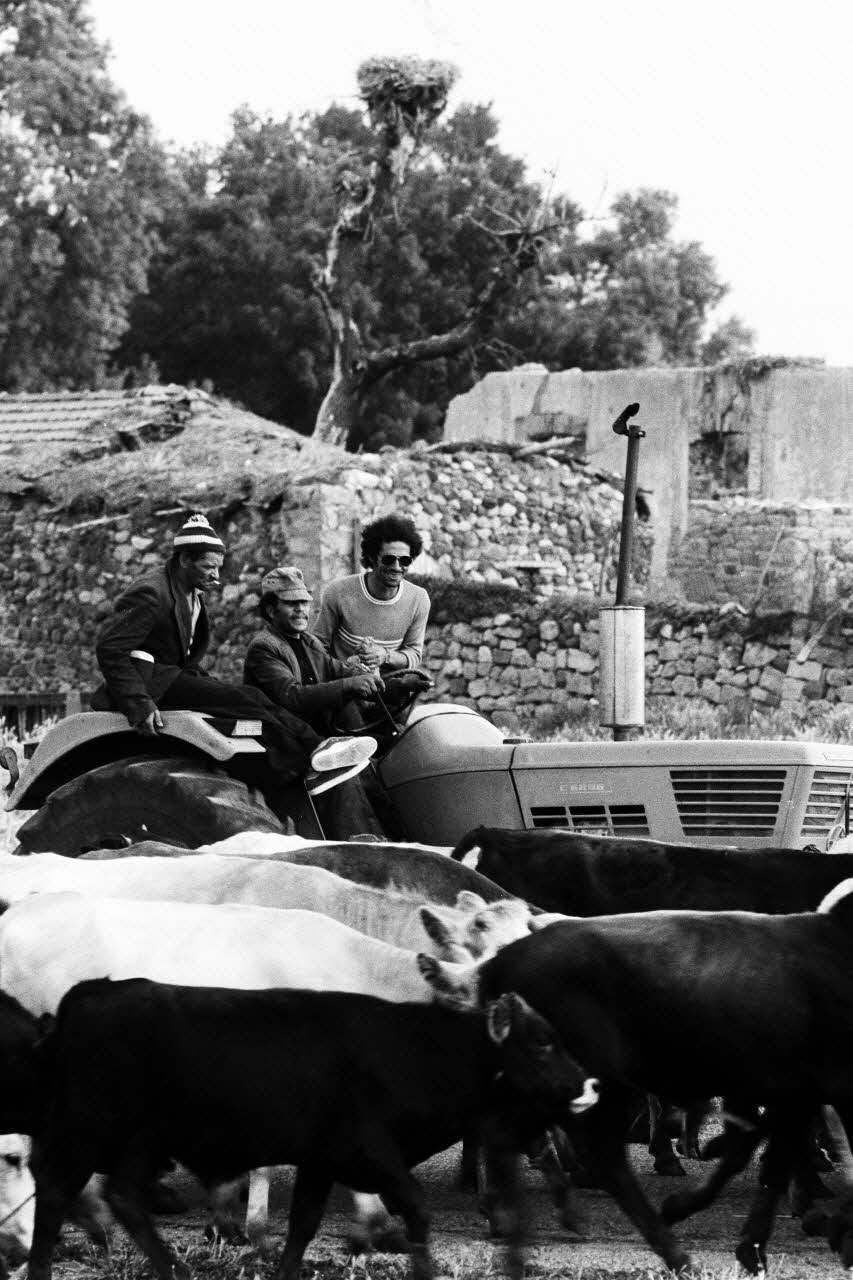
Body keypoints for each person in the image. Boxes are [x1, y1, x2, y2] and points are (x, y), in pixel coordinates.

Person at [90, 512, 375, 793]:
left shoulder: (190, 591)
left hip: (173, 676)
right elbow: (111, 649)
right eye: (208, 567)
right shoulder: (151, 593)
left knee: (251, 696)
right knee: (241, 700)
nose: (215, 575)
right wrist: (138, 703)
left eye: (218, 568)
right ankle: (307, 760)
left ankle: (315, 750)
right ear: (184, 560)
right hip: (153, 683)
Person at [243, 565, 388, 835]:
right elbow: (292, 696)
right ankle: (358, 839)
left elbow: (339, 670)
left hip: (320, 733)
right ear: (272, 610)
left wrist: (389, 682)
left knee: (383, 755)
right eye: (291, 604)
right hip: (285, 742)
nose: (301, 610)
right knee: (345, 771)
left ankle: (392, 832)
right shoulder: (264, 648)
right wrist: (349, 685)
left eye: (304, 603)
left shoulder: (309, 642)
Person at [314, 511, 432, 682]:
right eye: (388, 559)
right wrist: (343, 670)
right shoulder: (338, 592)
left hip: (389, 688)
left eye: (405, 561)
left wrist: (385, 656)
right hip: (342, 686)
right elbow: (318, 645)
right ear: (372, 557)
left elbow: (414, 654)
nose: (397, 567)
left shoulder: (418, 599)